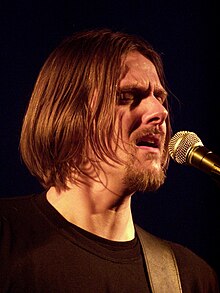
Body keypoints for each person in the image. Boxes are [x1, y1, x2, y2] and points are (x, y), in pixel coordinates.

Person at [0, 28, 219, 293]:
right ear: (69, 115)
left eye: (159, 98)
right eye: (127, 97)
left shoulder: (190, 279)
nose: (159, 111)